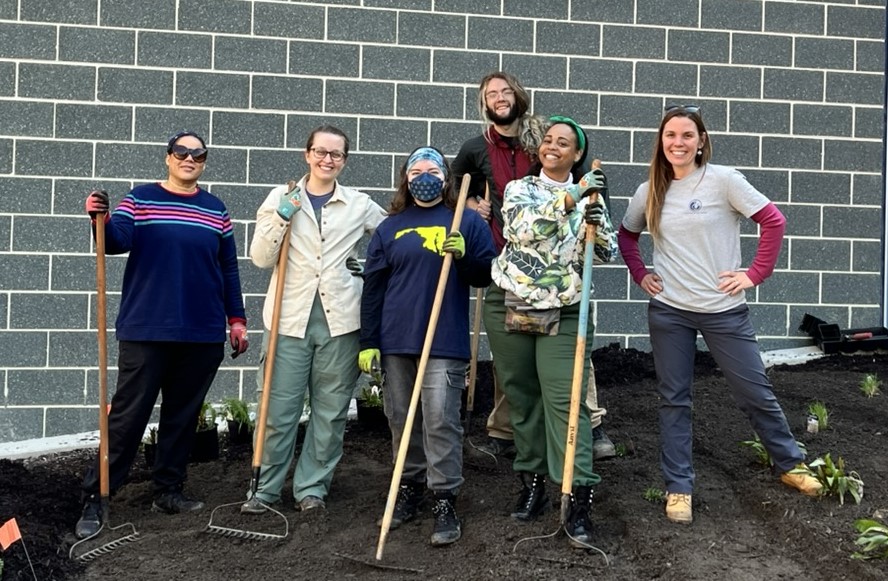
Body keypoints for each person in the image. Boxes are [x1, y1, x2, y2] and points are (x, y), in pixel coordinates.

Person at [617, 105, 823, 525]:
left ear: (701, 141)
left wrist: (754, 274)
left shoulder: (724, 180)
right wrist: (641, 274)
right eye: (670, 135)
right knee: (674, 400)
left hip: (723, 311)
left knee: (755, 391)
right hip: (670, 311)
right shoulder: (649, 191)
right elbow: (626, 234)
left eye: (687, 135)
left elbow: (773, 220)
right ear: (661, 141)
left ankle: (790, 464)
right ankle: (679, 487)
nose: (678, 142)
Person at [75, 131, 249, 539]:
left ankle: (168, 489)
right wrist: (97, 217)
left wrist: (236, 320)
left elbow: (228, 268)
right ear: (168, 158)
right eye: (182, 152)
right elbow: (114, 242)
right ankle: (97, 496)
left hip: (202, 331)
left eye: (198, 154)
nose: (190, 158)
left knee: (182, 415)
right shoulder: (140, 199)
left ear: (204, 161)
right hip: (147, 327)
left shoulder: (215, 209)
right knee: (128, 414)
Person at [452, 71, 616, 462]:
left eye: (506, 91)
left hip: (563, 275)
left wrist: (592, 205)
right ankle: (512, 432)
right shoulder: (477, 148)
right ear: (483, 102)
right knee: (517, 368)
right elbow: (457, 187)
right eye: (491, 93)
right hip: (508, 256)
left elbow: (602, 240)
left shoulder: (535, 133)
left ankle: (588, 425)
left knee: (568, 366)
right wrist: (475, 205)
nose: (499, 98)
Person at [483, 116, 617, 548]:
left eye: (565, 143)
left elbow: (608, 251)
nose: (553, 146)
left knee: (566, 399)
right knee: (522, 397)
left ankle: (576, 492)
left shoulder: (589, 197)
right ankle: (533, 481)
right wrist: (573, 196)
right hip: (511, 301)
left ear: (577, 154)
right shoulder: (522, 189)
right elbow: (522, 229)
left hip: (564, 308)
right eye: (549, 140)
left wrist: (596, 224)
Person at [242, 125, 386, 514]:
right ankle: (265, 490)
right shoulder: (280, 197)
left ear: (344, 160)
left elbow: (393, 235)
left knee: (330, 411)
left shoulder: (358, 204)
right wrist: (282, 217)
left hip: (341, 322)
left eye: (336, 154)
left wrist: (369, 268)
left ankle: (312, 488)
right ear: (307, 154)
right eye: (321, 152)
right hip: (288, 320)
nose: (327, 160)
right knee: (277, 410)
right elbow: (260, 257)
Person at [358, 147, 496, 546]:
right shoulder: (390, 227)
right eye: (416, 169)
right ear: (405, 177)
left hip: (444, 339)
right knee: (401, 418)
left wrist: (466, 257)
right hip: (395, 338)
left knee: (440, 420)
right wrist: (370, 341)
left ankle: (444, 497)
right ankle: (410, 487)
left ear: (445, 178)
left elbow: (484, 276)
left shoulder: (466, 221)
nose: (424, 176)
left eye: (432, 169)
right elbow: (374, 288)